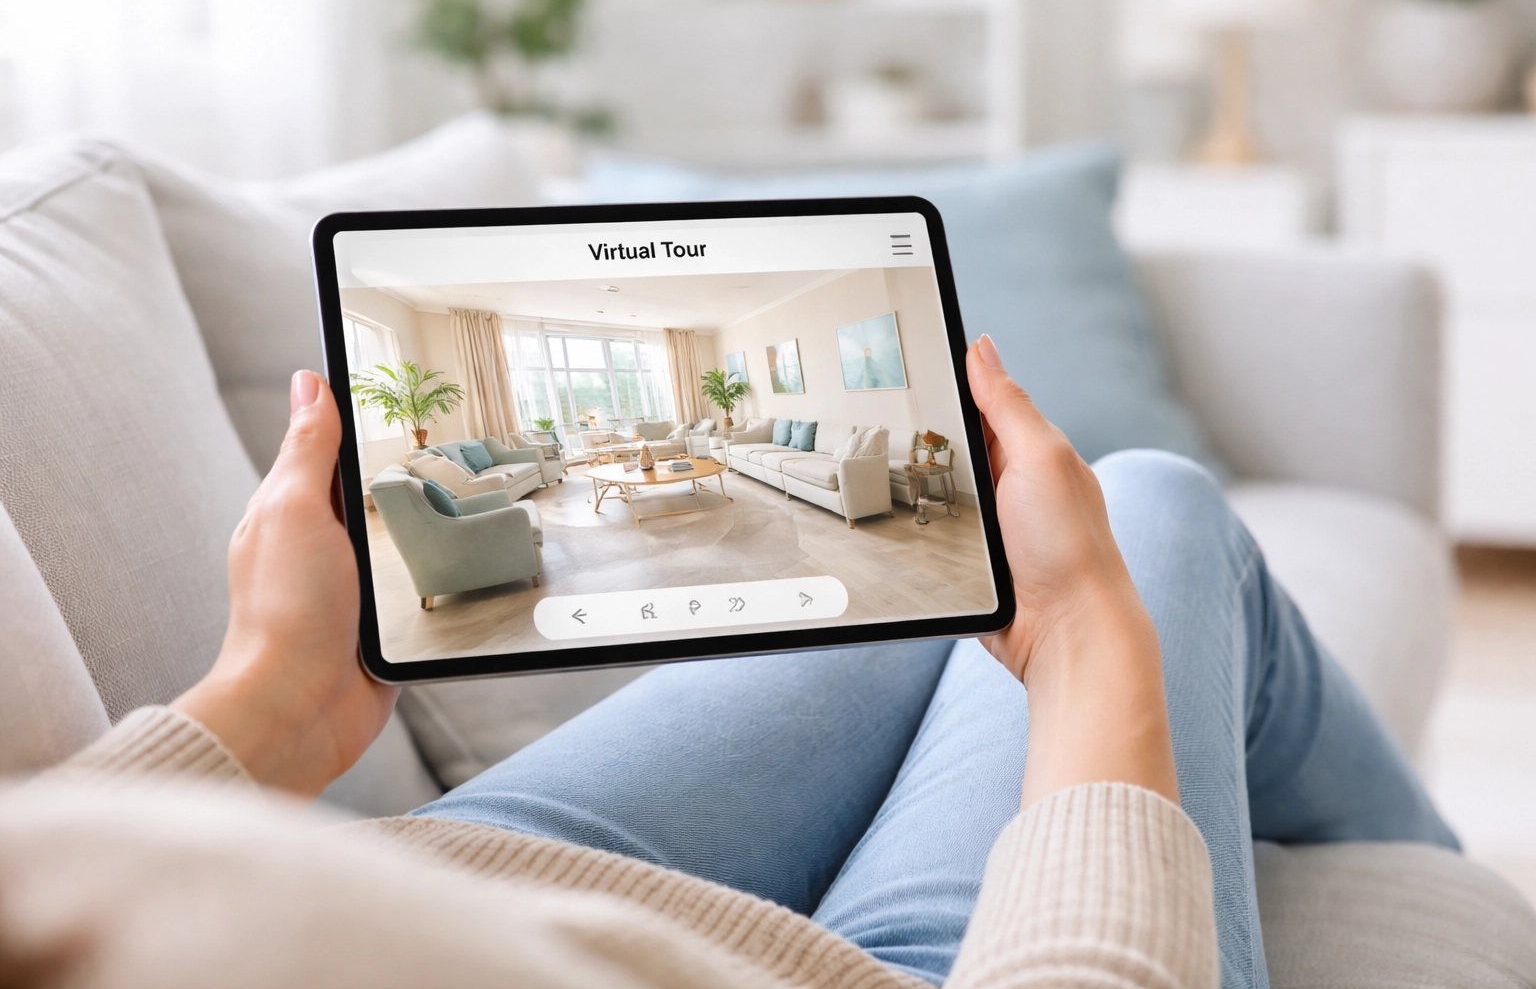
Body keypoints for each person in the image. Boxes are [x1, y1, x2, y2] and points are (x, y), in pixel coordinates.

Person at [0, 337, 1455, 989]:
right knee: (1143, 504)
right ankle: (1445, 880)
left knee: (979, 574)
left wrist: (267, 702)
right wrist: (1087, 658)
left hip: (412, 879)